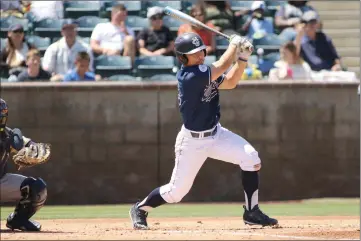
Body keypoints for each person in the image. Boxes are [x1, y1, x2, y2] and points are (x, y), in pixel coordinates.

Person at [129, 32, 278, 230]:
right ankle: (140, 208)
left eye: (201, 51)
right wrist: (234, 45)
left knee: (251, 158)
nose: (200, 55)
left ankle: (252, 212)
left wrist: (242, 58)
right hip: (192, 142)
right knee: (176, 192)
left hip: (216, 134)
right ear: (183, 57)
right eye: (194, 53)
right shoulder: (190, 76)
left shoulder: (204, 71)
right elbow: (222, 65)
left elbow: (231, 82)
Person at [0, 98, 51, 231]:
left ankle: (18, 220)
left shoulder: (7, 134)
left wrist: (34, 148)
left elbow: (27, 143)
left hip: (1, 182)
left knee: (37, 188)